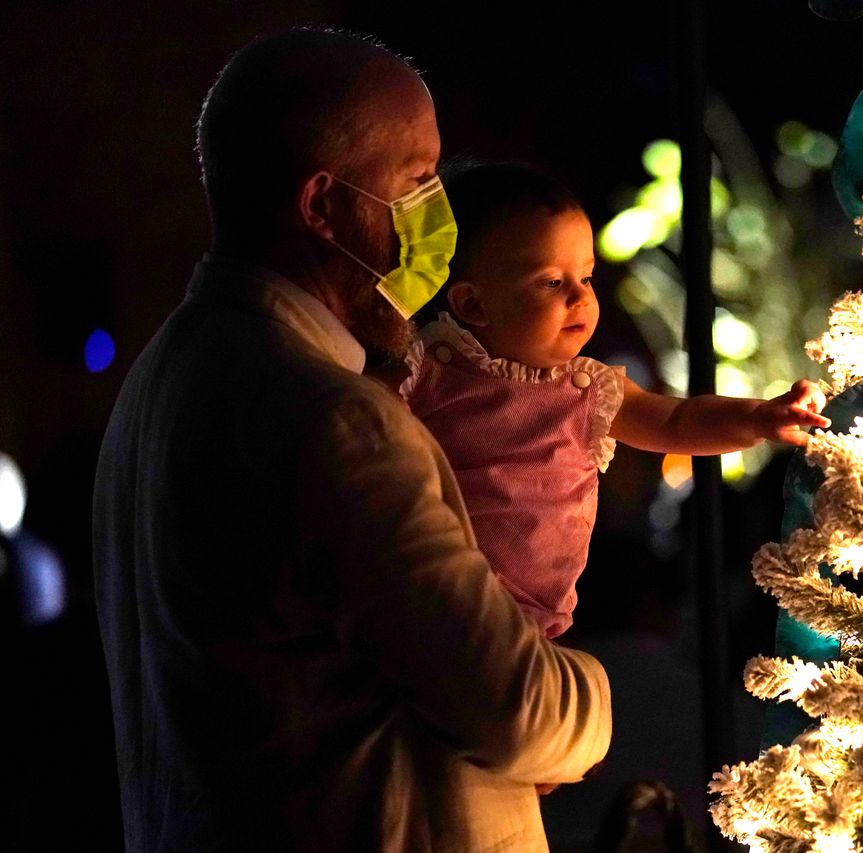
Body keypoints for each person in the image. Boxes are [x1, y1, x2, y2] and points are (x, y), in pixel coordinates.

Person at [92, 30, 610, 853]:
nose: (439, 219)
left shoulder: (160, 384)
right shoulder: (335, 419)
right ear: (322, 206)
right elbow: (520, 712)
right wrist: (589, 683)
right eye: (417, 182)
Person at [394, 162, 830, 638]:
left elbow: (678, 421)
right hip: (426, 599)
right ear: (473, 304)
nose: (580, 297)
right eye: (552, 282)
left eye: (586, 277)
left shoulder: (588, 390)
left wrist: (759, 417)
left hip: (532, 623)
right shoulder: (424, 369)